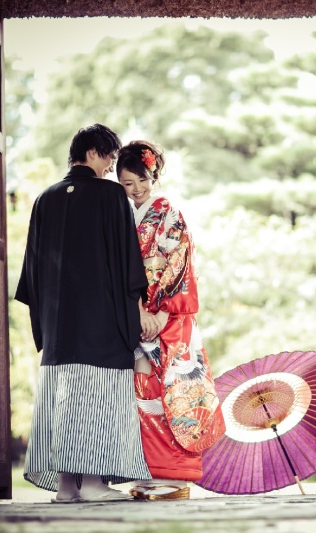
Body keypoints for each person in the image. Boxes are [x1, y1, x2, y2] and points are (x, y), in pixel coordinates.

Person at [15, 124, 151, 503]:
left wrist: (47, 323)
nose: (111, 168)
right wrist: (136, 310)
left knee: (63, 398)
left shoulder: (45, 198)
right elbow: (127, 260)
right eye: (109, 158)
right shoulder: (110, 196)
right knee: (96, 397)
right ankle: (92, 484)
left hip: (59, 327)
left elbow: (31, 273)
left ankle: (65, 489)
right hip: (101, 321)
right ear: (93, 152)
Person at [116, 140, 225, 501]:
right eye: (128, 184)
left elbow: (179, 263)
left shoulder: (169, 214)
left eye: (141, 181)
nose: (136, 190)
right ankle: (147, 474)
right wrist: (138, 311)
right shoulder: (122, 214)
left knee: (175, 393)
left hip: (170, 316)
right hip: (137, 315)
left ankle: (176, 478)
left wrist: (160, 311)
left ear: (153, 175)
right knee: (142, 391)